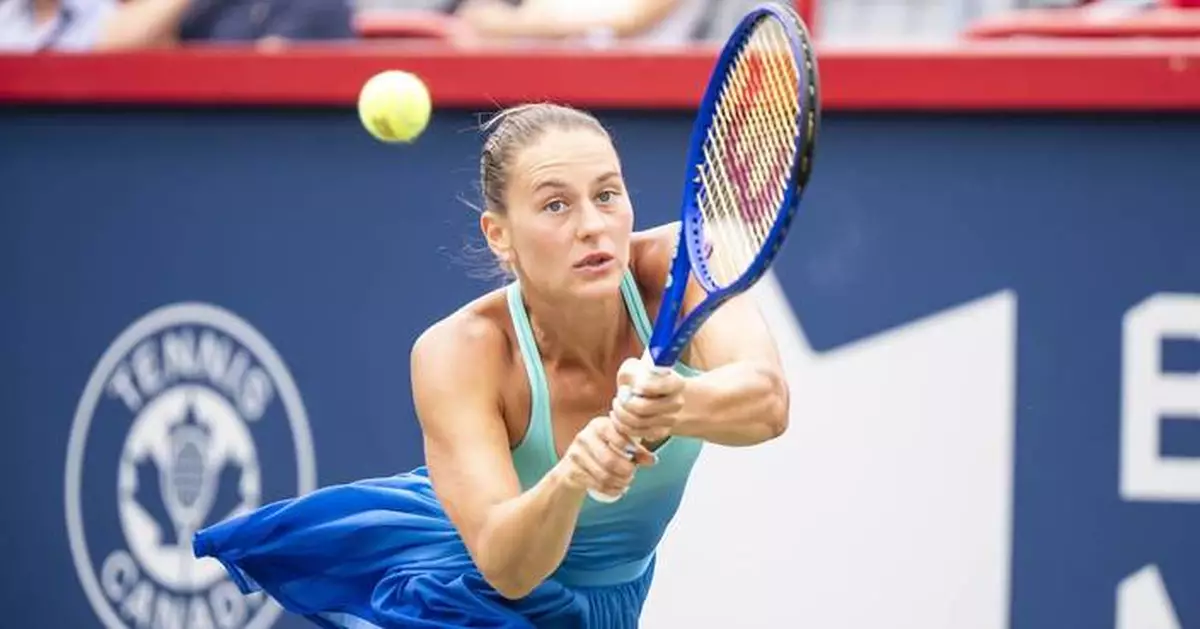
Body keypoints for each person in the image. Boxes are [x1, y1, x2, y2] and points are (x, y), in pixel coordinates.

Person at [192, 102, 790, 629]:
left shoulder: (685, 265)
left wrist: (676, 403)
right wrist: (571, 475)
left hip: (613, 596)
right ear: (500, 236)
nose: (592, 225)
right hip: (472, 582)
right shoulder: (459, 350)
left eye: (608, 194)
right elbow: (509, 568)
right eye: (556, 204)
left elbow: (767, 403)